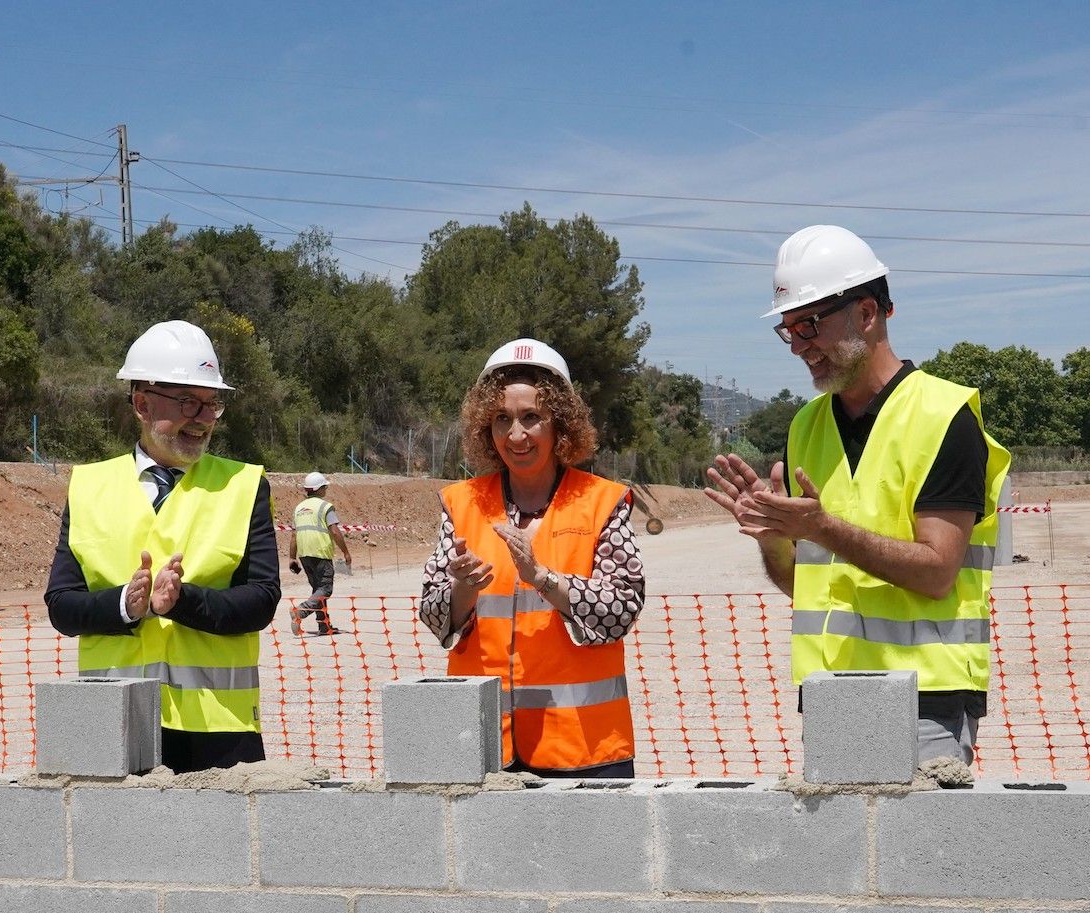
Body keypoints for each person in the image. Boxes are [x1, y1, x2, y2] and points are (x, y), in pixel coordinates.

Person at [706, 225, 1010, 765]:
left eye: (809, 325)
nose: (798, 346)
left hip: (927, 699)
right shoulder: (806, 425)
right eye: (788, 330)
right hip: (830, 695)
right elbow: (804, 584)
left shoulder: (943, 417)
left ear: (867, 313)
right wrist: (774, 539)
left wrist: (821, 528)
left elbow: (938, 572)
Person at [44, 320, 280, 772]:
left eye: (212, 404)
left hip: (218, 729)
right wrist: (124, 606)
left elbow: (261, 600)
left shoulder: (245, 484)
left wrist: (181, 602)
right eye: (189, 402)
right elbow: (62, 606)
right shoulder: (89, 486)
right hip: (114, 721)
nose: (203, 418)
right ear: (142, 404)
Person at [419, 338, 645, 778]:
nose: (516, 435)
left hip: (582, 748)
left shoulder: (603, 501)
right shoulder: (461, 503)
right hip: (483, 744)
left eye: (531, 418)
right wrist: (463, 587)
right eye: (501, 419)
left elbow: (621, 609)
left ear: (560, 424)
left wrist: (542, 577)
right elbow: (433, 613)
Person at [287, 471, 353, 636]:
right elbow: (335, 531)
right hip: (320, 553)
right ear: (318, 489)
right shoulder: (325, 507)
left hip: (304, 554)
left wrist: (292, 557)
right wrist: (345, 552)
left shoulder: (299, 509)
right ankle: (300, 611)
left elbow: (294, 535)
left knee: (318, 590)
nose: (326, 489)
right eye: (324, 486)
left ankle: (324, 626)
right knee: (325, 589)